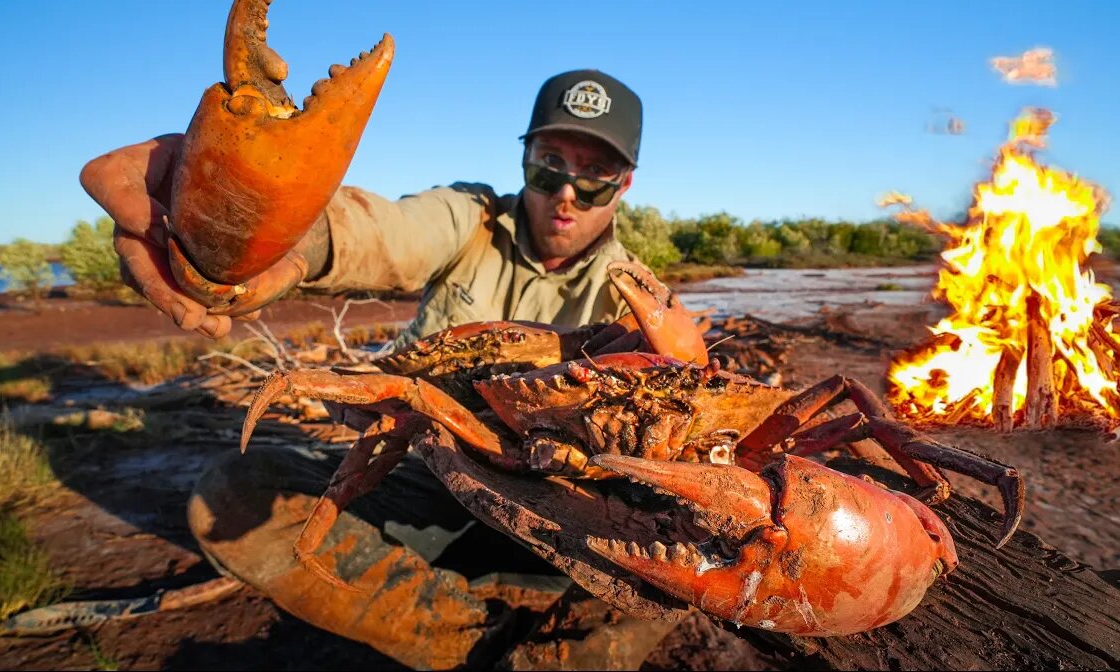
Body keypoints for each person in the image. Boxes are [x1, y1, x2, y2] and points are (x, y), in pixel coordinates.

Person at [81, 69, 684, 669]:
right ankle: (469, 642)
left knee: (698, 546)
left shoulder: (637, 304)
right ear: (525, 158)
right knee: (232, 493)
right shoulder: (469, 220)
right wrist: (260, 220)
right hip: (425, 471)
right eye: (549, 163)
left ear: (624, 183)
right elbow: (385, 231)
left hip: (555, 505)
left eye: (594, 176)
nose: (567, 193)